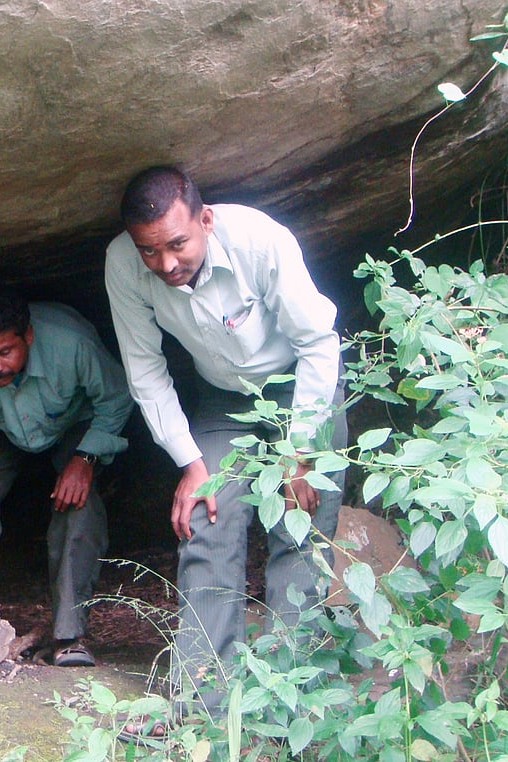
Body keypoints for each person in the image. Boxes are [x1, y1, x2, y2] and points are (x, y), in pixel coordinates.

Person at [103, 166, 347, 721]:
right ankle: (206, 710)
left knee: (300, 530)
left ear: (205, 220)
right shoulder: (123, 263)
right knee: (206, 521)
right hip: (222, 398)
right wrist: (189, 463)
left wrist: (299, 450)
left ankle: (293, 704)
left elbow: (318, 343)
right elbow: (145, 370)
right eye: (149, 251)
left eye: (177, 244)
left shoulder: (260, 241)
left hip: (303, 385)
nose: (165, 264)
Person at [0, 286, 134, 667]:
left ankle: (70, 635)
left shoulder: (72, 344)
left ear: (28, 336)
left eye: (5, 352)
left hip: (73, 421)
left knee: (76, 502)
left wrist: (85, 458)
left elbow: (116, 397)